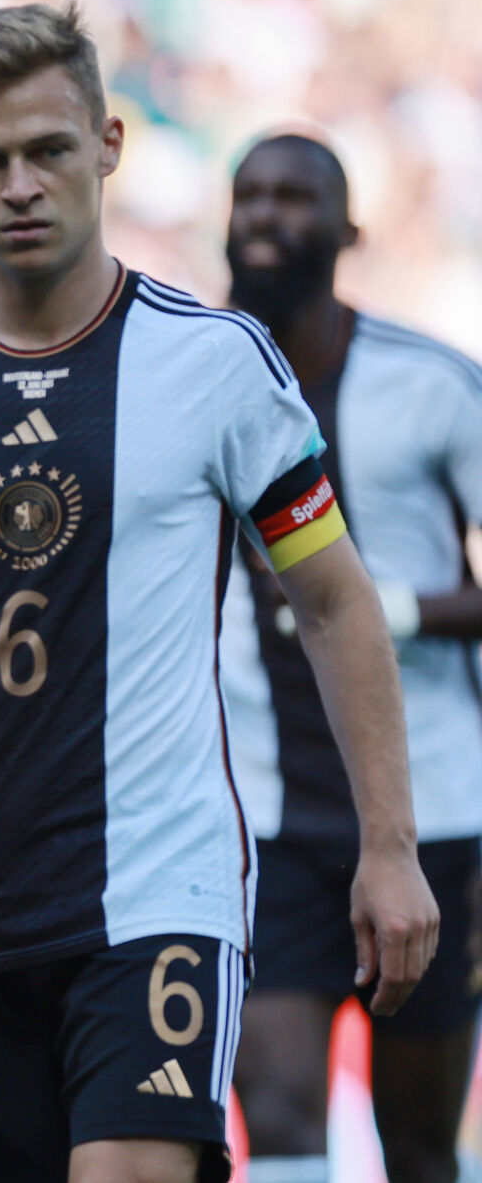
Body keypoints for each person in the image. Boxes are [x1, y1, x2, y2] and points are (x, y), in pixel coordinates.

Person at [0, 3, 438, 1183]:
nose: (18, 186)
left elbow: (336, 603)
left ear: (107, 144)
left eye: (47, 150)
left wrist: (389, 844)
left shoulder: (213, 362)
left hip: (159, 893)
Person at [220, 133, 482, 1183]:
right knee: (280, 1113)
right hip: (262, 819)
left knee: (417, 1144)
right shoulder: (189, 385)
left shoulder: (433, 384)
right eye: (247, 194)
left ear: (349, 230)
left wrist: (385, 612)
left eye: (293, 195)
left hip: (432, 815)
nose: (264, 214)